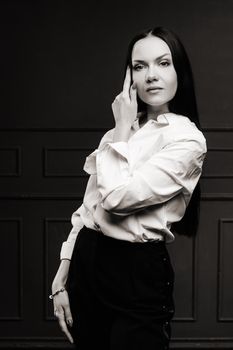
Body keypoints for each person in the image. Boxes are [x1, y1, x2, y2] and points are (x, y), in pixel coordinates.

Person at [50, 26, 207, 349]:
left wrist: (121, 128)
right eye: (140, 66)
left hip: (136, 273)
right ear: (129, 77)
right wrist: (62, 275)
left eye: (163, 63)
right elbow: (87, 211)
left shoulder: (187, 139)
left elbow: (117, 199)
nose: (151, 75)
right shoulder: (118, 133)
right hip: (86, 262)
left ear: (180, 71)